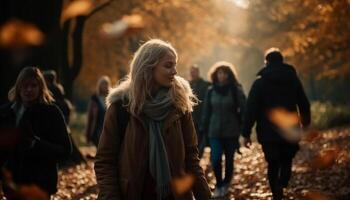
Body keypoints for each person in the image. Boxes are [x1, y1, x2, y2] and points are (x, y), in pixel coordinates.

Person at [94, 39, 210, 200]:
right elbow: (105, 161)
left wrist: (205, 196)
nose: (175, 71)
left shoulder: (179, 105)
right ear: (148, 67)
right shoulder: (121, 107)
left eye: (175, 65)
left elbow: (191, 159)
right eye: (168, 65)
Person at [242, 48, 311, 200]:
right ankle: (283, 182)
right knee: (287, 159)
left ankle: (276, 193)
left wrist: (246, 133)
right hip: (290, 128)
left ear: (266, 62)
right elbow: (303, 102)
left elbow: (251, 108)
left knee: (273, 162)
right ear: (282, 61)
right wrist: (306, 123)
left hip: (268, 131)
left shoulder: (260, 83)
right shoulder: (292, 79)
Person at [0, 67, 72, 198]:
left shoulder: (52, 113)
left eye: (33, 85)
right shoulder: (5, 113)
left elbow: (66, 150)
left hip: (40, 186)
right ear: (18, 87)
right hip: (12, 185)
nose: (29, 90)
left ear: (40, 88)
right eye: (25, 85)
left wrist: (36, 144)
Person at [201, 61, 246, 198]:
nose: (222, 76)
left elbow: (244, 110)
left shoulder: (235, 90)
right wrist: (203, 127)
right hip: (214, 131)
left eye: (225, 73)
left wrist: (244, 129)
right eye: (220, 73)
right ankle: (219, 184)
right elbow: (206, 111)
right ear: (216, 74)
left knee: (229, 160)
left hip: (231, 131)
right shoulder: (210, 91)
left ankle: (226, 183)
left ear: (229, 75)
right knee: (215, 159)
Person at [189, 65, 210, 157]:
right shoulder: (187, 85)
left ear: (198, 72)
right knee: (194, 141)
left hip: (204, 117)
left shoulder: (206, 85)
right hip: (192, 118)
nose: (193, 73)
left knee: (202, 140)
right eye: (191, 71)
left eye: (194, 71)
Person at [85, 76, 111, 147]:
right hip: (97, 125)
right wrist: (88, 131)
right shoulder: (94, 98)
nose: (105, 86)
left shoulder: (110, 98)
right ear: (99, 85)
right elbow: (90, 115)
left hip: (107, 125)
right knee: (98, 143)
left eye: (106, 84)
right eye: (103, 84)